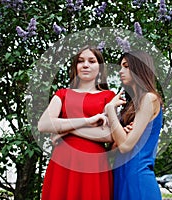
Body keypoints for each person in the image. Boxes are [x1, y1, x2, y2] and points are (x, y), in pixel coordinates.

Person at [38, 45, 115, 200]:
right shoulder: (63, 94)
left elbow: (109, 135)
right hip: (63, 162)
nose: (85, 65)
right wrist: (88, 121)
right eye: (81, 61)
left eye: (91, 61)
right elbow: (44, 125)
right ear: (75, 66)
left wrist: (65, 129)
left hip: (94, 163)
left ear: (99, 67)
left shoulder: (108, 96)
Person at [105, 51, 164, 200]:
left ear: (140, 68)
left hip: (138, 180)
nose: (120, 71)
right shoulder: (131, 107)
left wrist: (110, 109)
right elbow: (112, 151)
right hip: (120, 178)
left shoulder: (150, 99)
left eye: (126, 66)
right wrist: (120, 136)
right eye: (120, 66)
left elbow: (125, 146)